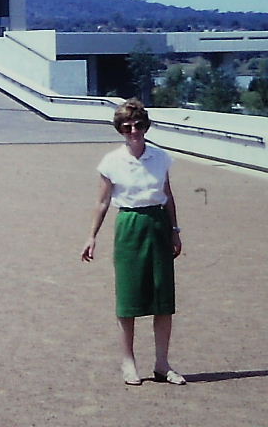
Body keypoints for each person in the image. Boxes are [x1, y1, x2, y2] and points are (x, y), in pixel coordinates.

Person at [81, 99, 186, 386]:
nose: (134, 131)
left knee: (162, 298)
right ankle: (128, 362)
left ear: (146, 126)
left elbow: (167, 195)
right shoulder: (111, 161)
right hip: (129, 225)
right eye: (127, 127)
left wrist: (175, 230)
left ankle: (162, 364)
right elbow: (102, 202)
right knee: (128, 298)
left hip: (158, 225)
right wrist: (91, 236)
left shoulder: (160, 157)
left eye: (139, 125)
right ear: (120, 130)